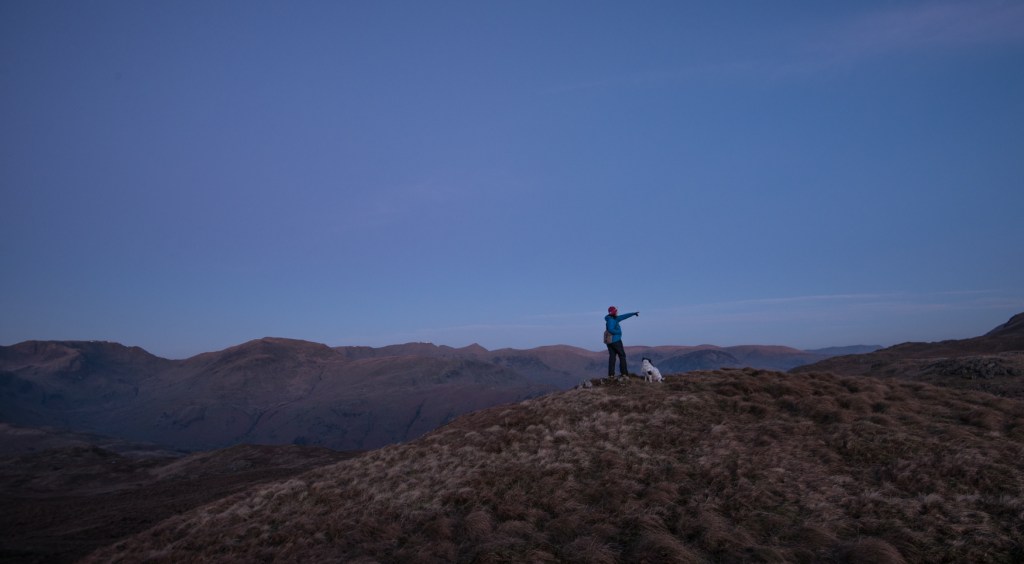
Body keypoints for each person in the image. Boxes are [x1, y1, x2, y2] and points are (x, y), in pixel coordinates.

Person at [605, 306, 638, 378]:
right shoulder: (611, 320)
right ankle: (624, 373)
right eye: (616, 311)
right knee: (622, 356)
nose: (617, 312)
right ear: (613, 312)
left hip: (609, 342)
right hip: (616, 341)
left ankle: (611, 375)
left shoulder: (613, 318)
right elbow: (610, 329)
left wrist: (633, 314)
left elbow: (623, 316)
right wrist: (618, 332)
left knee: (612, 357)